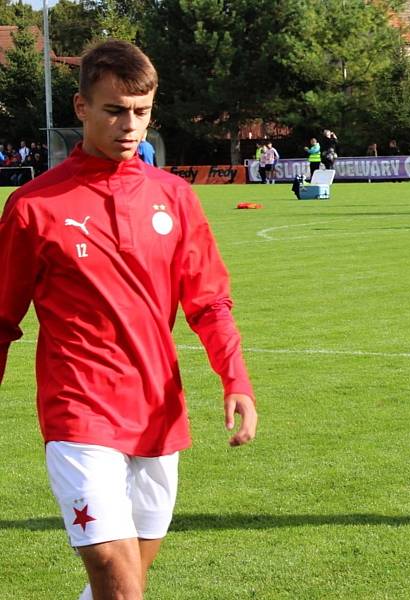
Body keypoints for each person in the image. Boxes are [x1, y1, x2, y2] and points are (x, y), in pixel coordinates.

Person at [0, 40, 258, 600]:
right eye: (115, 110)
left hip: (158, 412)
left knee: (127, 582)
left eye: (141, 112)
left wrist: (235, 379)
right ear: (80, 108)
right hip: (78, 411)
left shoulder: (175, 197)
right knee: (119, 584)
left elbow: (208, 302)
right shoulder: (33, 206)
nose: (130, 125)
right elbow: (0, 318)